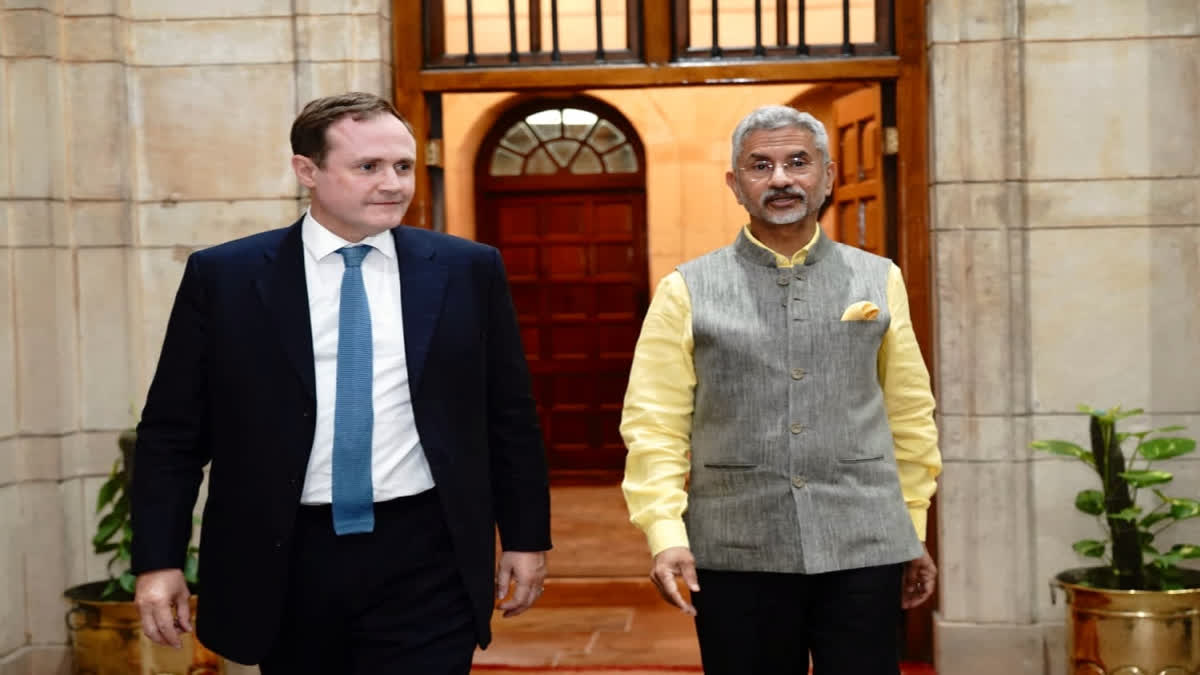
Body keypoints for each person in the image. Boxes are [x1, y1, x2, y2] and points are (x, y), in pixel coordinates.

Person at [130, 92, 551, 674]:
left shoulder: (466, 269)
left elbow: (509, 415)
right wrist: (158, 561)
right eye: (368, 167)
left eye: (402, 166)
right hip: (285, 557)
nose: (393, 184)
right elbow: (171, 435)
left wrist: (527, 538)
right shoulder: (225, 277)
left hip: (427, 553)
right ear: (307, 170)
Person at [620, 104, 941, 674]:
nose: (782, 179)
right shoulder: (686, 289)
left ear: (828, 174)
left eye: (798, 162)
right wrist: (664, 531)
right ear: (735, 184)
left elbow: (909, 412)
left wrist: (910, 526)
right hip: (736, 547)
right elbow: (655, 424)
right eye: (760, 166)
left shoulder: (878, 278)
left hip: (864, 541)